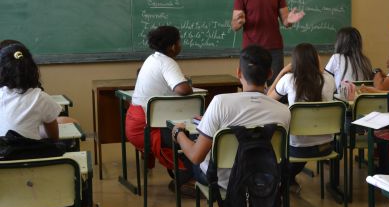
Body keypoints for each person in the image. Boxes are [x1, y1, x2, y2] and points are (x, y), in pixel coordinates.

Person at [0, 43, 123, 207]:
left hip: (5, 197)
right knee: (68, 162)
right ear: (32, 69)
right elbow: (54, 136)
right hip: (40, 195)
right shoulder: (40, 97)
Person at [173, 45, 290, 190]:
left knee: (193, 144)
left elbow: (196, 157)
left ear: (238, 72)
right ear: (270, 74)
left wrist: (178, 133)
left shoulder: (220, 102)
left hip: (224, 181)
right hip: (266, 180)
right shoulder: (284, 111)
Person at [125, 25, 193, 184]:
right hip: (148, 129)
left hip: (136, 126)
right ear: (173, 46)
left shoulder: (152, 58)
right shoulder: (167, 62)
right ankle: (187, 181)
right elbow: (183, 89)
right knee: (193, 138)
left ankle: (184, 178)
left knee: (184, 131)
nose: (180, 45)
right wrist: (188, 84)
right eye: (179, 42)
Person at [268, 43, 336, 190]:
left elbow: (268, 99)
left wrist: (282, 72)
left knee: (276, 138)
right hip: (326, 147)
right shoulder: (329, 79)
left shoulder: (289, 79)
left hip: (298, 150)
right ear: (316, 59)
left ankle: (284, 179)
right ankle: (289, 179)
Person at [231, 0, 305, 84]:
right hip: (251, 50)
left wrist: (289, 21)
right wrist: (238, 22)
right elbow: (234, 26)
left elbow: (285, 21)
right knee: (251, 87)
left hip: (274, 48)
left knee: (276, 88)